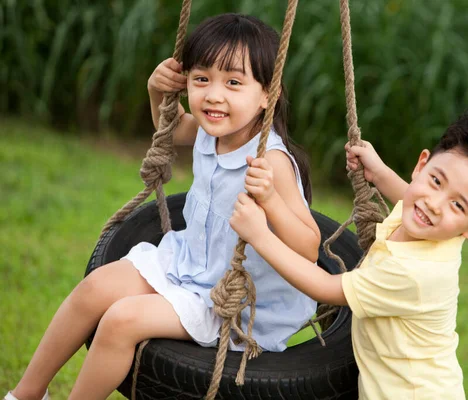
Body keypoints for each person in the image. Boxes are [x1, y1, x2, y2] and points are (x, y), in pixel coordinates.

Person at [6, 13, 320, 400]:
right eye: (201, 79)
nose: (214, 95)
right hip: (190, 263)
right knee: (94, 289)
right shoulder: (211, 129)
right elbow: (169, 132)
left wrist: (270, 201)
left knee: (122, 320)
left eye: (234, 83)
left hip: (232, 303)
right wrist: (157, 93)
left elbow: (310, 246)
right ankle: (26, 394)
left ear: (267, 96)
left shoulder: (270, 161)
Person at [230, 108, 468, 399]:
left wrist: (260, 236)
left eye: (458, 205)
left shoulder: (413, 273)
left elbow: (325, 287)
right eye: (435, 180)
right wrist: (378, 172)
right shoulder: (430, 221)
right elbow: (411, 196)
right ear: (421, 165)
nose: (433, 203)